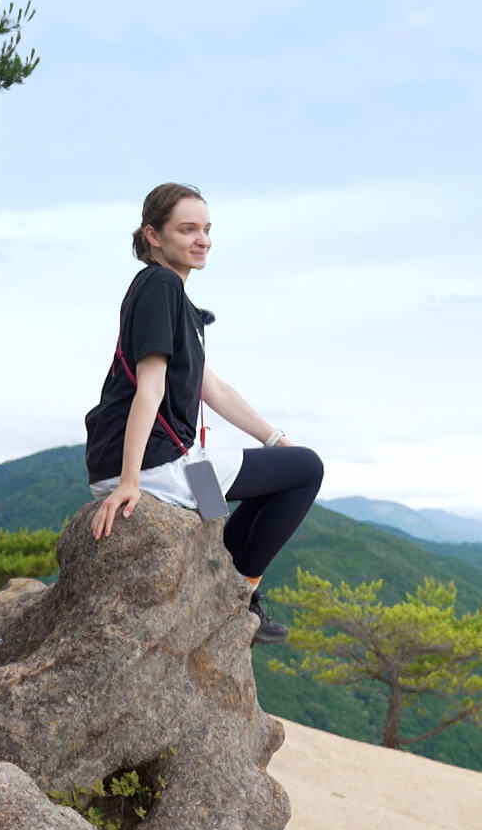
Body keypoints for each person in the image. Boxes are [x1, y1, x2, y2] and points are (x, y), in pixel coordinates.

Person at [82, 182, 323, 645]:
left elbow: (211, 388)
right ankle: (241, 594)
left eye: (207, 229)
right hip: (153, 463)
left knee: (214, 514)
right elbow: (149, 389)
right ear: (153, 235)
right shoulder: (160, 285)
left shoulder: (175, 299)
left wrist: (274, 439)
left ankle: (228, 588)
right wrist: (129, 481)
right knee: (306, 470)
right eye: (187, 228)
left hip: (167, 458)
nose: (202, 239)